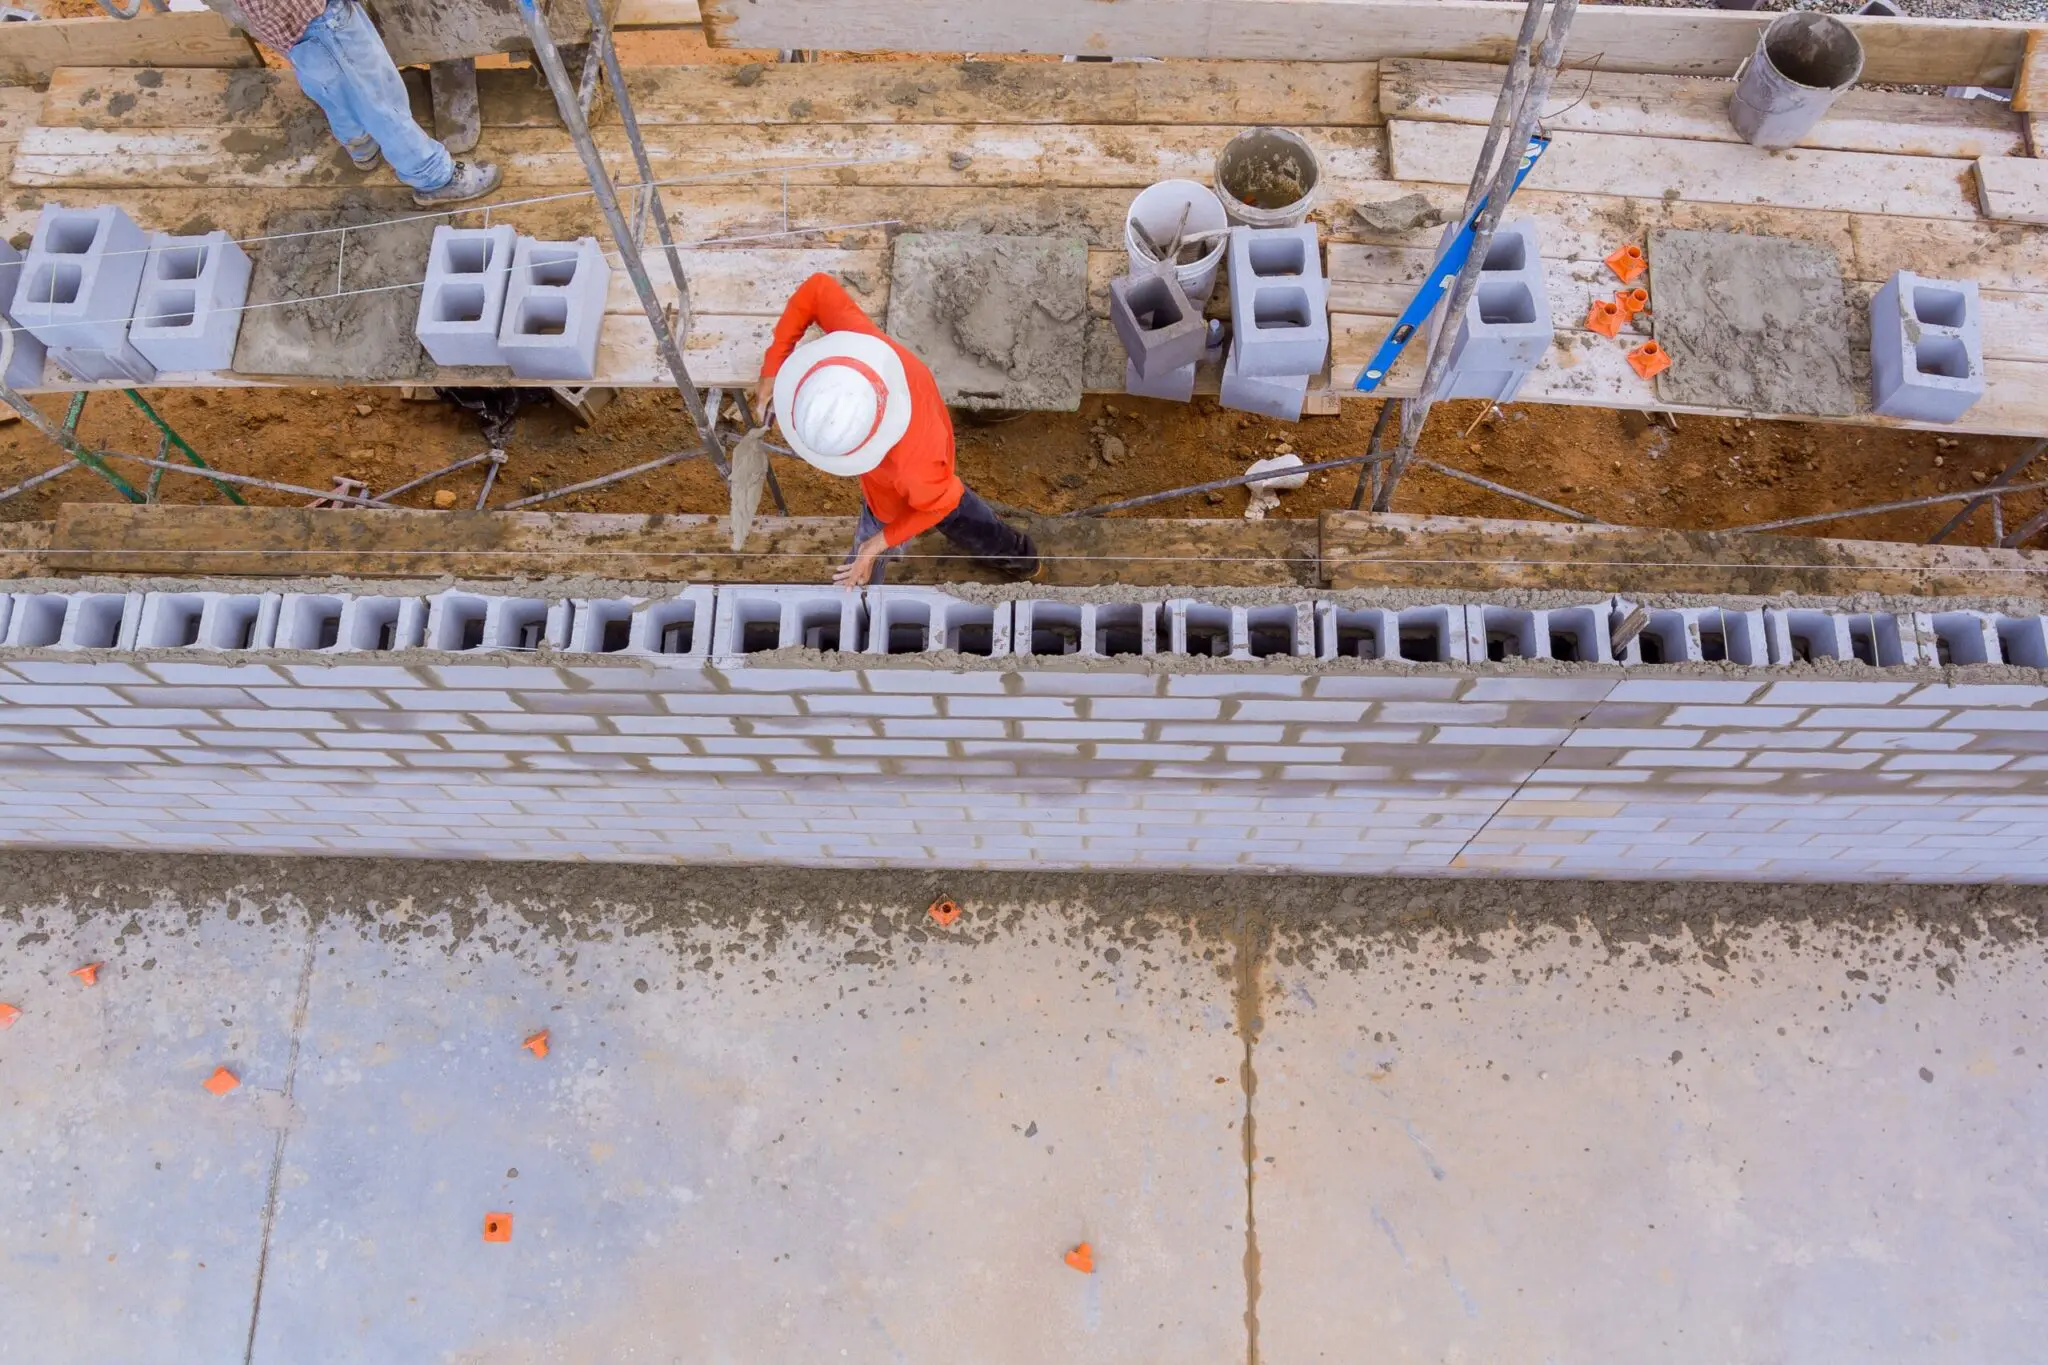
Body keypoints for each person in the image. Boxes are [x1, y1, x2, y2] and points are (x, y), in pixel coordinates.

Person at [755, 273, 1041, 589]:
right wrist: (772, 369)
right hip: (923, 441)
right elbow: (816, 289)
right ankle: (1019, 557)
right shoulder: (864, 355)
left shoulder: (911, 470)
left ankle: (864, 584)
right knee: (958, 513)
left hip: (914, 480)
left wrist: (875, 545)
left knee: (936, 515)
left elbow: (941, 502)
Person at [233, 0, 500, 207]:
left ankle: (361, 146)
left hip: (290, 29)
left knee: (332, 88)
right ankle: (433, 177)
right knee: (380, 101)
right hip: (323, 17)